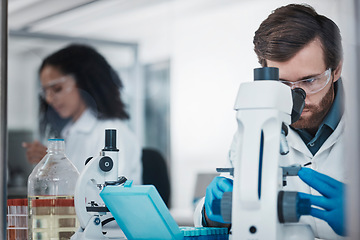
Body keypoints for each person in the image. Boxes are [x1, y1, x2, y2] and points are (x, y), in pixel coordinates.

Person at [194, 4, 347, 240]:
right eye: (282, 84)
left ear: (336, 70)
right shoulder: (258, 123)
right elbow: (229, 214)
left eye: (309, 80)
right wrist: (211, 214)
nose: (298, 98)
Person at [22, 44, 142, 184]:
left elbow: (105, 194)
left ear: (83, 82)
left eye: (57, 88)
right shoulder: (70, 132)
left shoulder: (111, 132)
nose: (49, 99)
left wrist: (55, 166)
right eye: (46, 92)